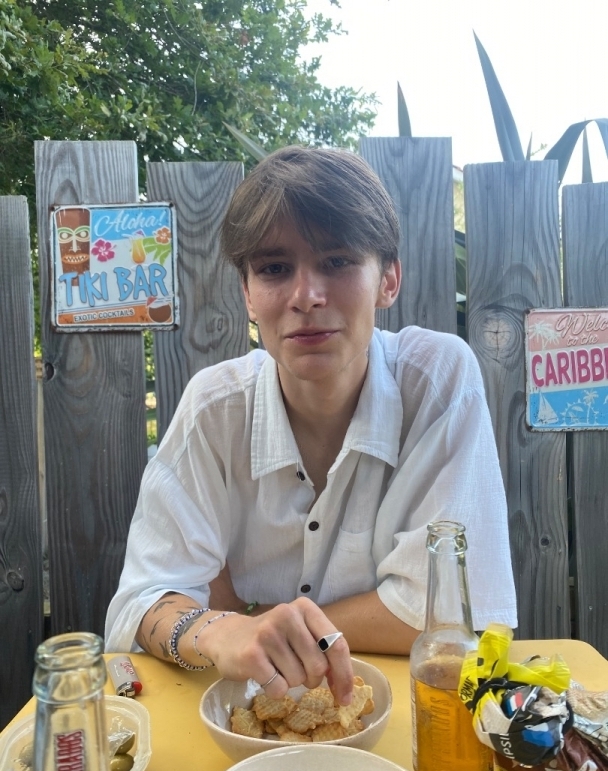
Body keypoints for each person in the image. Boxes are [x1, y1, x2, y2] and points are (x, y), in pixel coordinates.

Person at [105, 145, 517, 705]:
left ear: (388, 279)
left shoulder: (437, 380)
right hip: (240, 721)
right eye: (275, 269)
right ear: (249, 295)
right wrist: (221, 632)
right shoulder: (214, 408)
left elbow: (451, 617)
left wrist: (257, 625)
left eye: (337, 261)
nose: (306, 296)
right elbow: (142, 602)